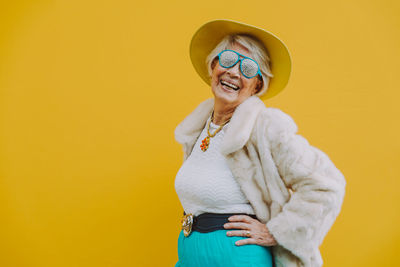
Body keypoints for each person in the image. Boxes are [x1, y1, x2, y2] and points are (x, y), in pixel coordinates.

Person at [174, 19, 346, 267]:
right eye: (228, 60)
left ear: (257, 85)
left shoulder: (265, 126)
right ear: (213, 66)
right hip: (191, 256)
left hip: (238, 259)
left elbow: (327, 185)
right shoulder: (198, 129)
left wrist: (276, 231)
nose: (234, 72)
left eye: (248, 68)